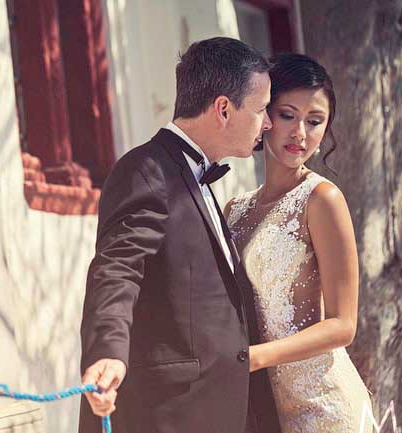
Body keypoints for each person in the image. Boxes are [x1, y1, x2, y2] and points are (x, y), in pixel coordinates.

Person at [79, 37, 282, 433]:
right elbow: (117, 268)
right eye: (261, 110)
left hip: (224, 408)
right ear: (223, 109)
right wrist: (107, 352)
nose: (269, 123)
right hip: (171, 415)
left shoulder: (198, 174)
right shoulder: (146, 171)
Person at [225, 53, 372, 433]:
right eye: (288, 115)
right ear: (265, 116)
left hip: (326, 408)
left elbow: (343, 325)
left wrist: (255, 357)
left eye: (315, 121)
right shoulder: (234, 211)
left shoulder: (322, 200)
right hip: (267, 411)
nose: (300, 134)